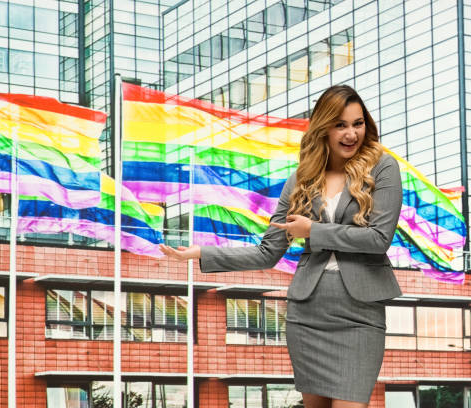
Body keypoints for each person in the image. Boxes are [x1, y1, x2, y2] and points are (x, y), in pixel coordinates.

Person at [159, 84, 403, 408]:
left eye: (357, 124)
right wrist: (203, 252)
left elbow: (377, 239)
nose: (351, 133)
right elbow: (268, 252)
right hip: (308, 311)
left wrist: (313, 230)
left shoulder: (382, 169)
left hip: (359, 312)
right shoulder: (301, 179)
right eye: (340, 124)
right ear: (323, 128)